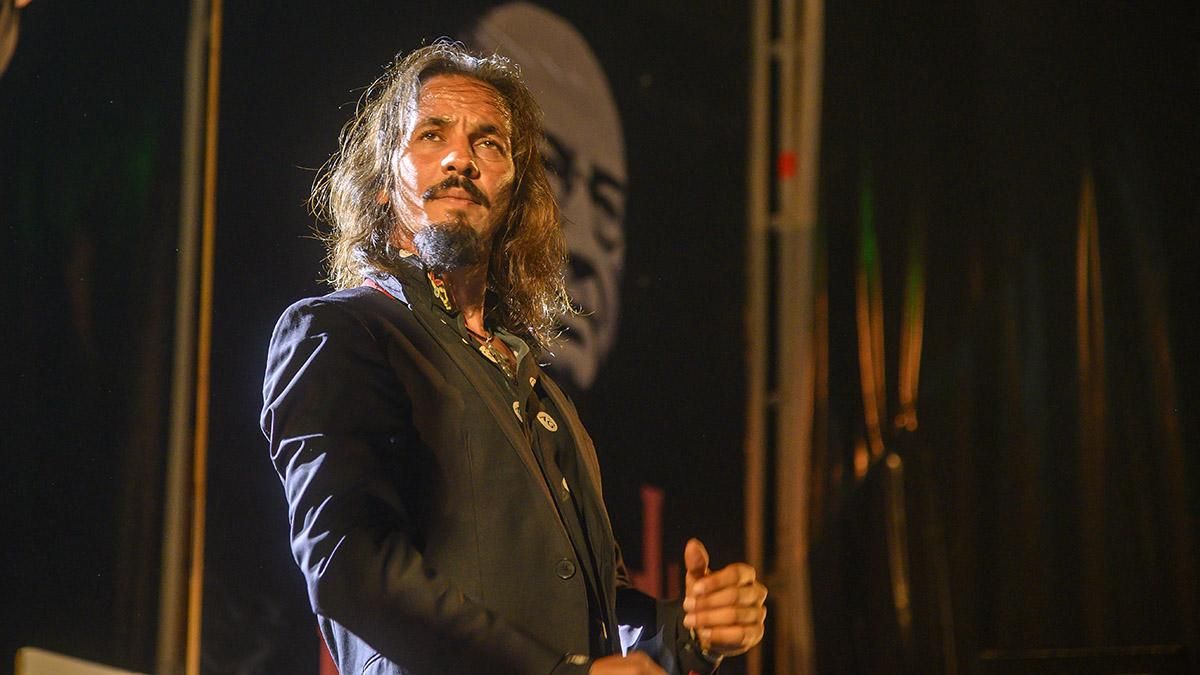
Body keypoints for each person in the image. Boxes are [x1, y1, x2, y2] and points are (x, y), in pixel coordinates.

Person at [261, 41, 766, 675]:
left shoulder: (543, 393)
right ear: (386, 183)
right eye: (430, 134)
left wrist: (690, 631)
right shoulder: (342, 331)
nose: (460, 159)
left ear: (515, 193)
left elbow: (601, 608)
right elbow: (348, 568)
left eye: (489, 143)